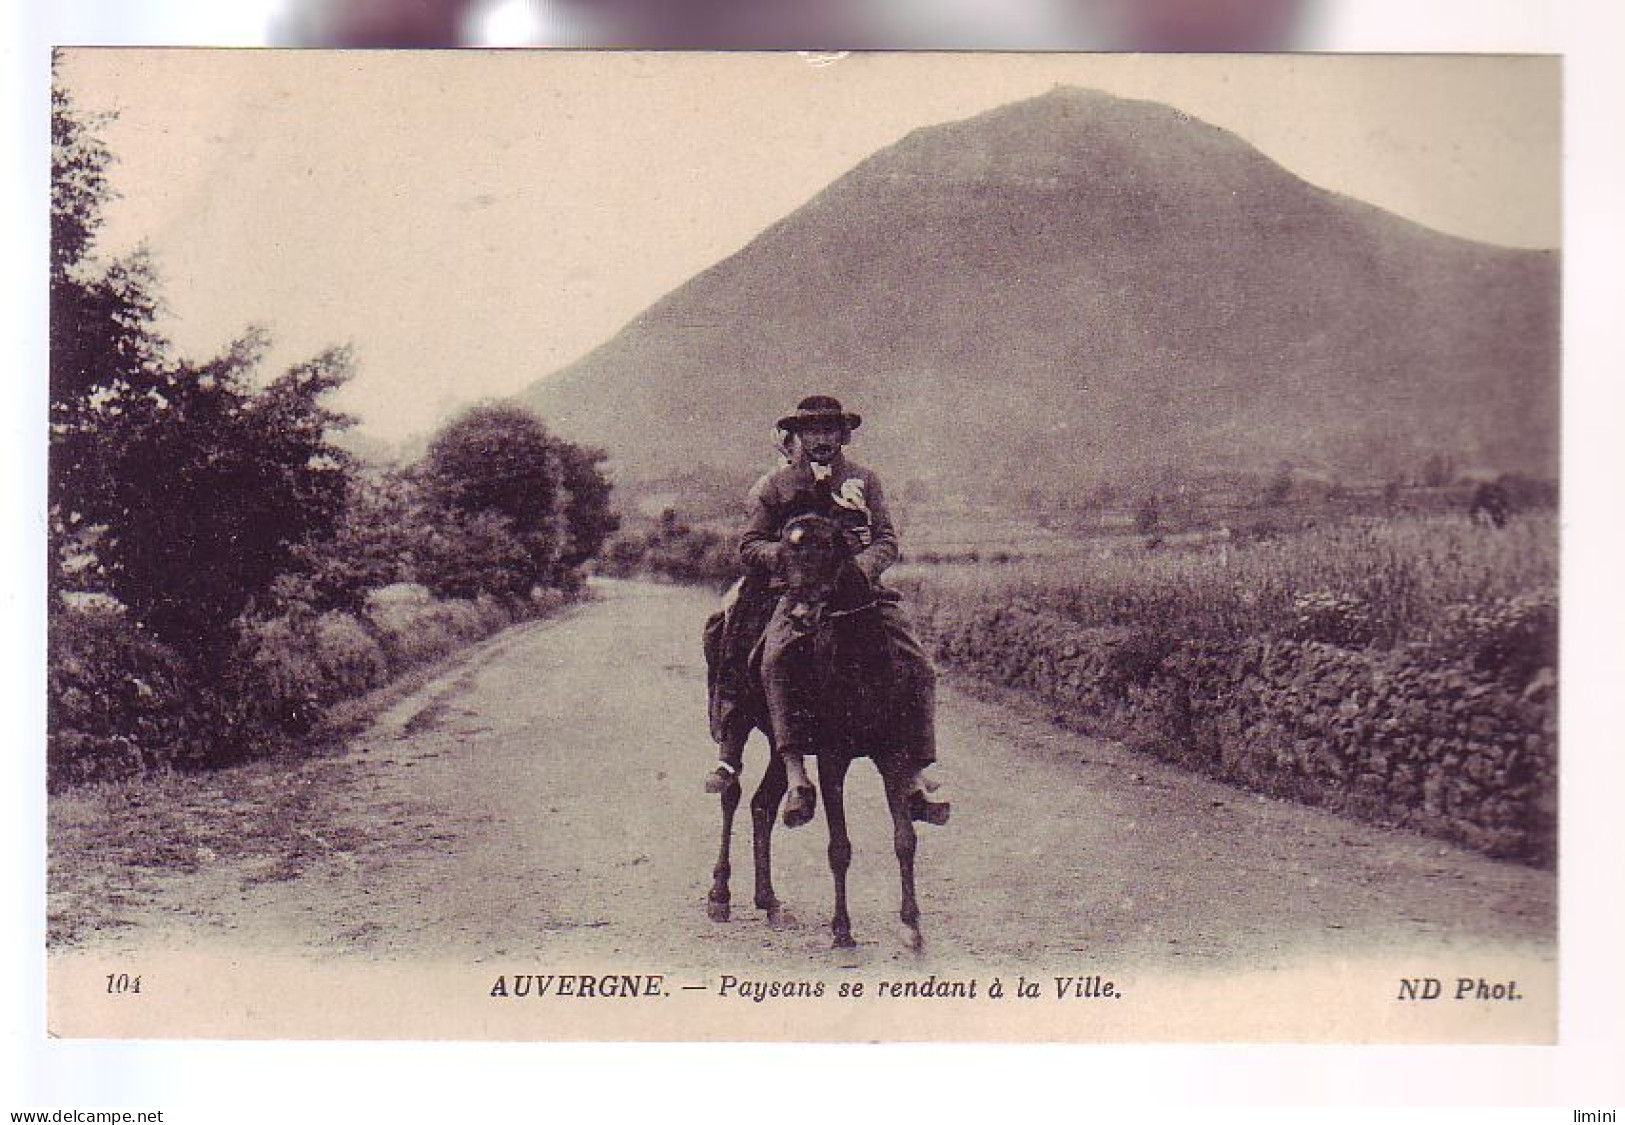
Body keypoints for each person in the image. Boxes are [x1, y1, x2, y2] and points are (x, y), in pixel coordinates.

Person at [702, 395, 948, 827]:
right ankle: (797, 775)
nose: (820, 439)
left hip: (856, 591)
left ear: (843, 435)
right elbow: (749, 544)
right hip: (797, 592)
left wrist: (860, 570)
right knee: (775, 658)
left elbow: (886, 539)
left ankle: (918, 770)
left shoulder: (865, 481)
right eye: (810, 430)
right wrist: (789, 558)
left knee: (919, 664)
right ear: (797, 436)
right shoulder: (774, 485)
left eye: (828, 430)